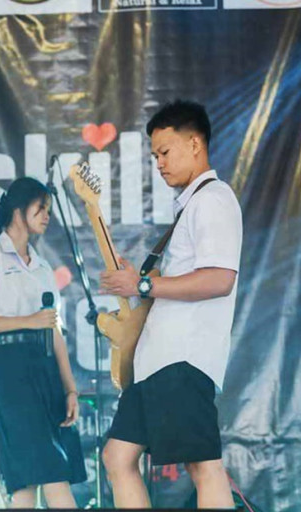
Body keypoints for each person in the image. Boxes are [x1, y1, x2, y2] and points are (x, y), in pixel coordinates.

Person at [100, 100, 242, 509]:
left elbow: (219, 279)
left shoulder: (213, 199)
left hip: (183, 358)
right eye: (154, 156)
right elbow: (177, 282)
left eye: (164, 152)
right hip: (156, 361)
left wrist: (143, 283)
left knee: (204, 467)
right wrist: (141, 283)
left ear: (195, 144)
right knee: (117, 457)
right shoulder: (192, 205)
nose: (159, 164)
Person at [0, 177, 86, 509]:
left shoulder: (43, 268)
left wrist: (70, 389)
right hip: (11, 369)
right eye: (40, 208)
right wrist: (28, 320)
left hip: (46, 367)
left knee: (28, 487)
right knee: (46, 475)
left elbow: (54, 330)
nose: (47, 216)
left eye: (49, 210)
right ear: (18, 211)